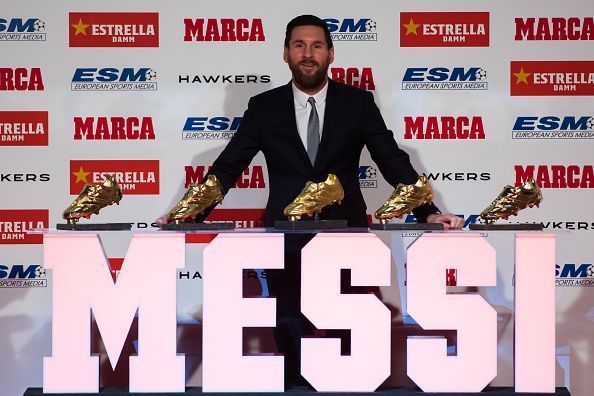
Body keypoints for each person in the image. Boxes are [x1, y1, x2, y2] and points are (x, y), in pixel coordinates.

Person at [161, 14, 463, 387]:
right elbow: (229, 165)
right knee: (288, 328)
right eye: (299, 45)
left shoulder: (358, 103)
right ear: (285, 54)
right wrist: (188, 212)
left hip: (346, 235)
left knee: (348, 334)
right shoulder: (264, 107)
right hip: (285, 238)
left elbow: (392, 160)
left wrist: (428, 212)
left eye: (316, 45)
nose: (308, 53)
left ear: (331, 54)